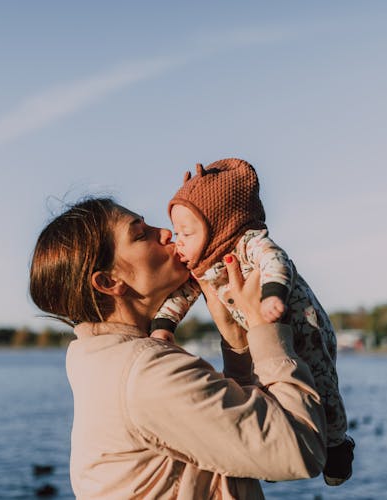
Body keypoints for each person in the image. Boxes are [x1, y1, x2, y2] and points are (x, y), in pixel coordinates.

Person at [29, 197, 328, 499]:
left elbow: (251, 453)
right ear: (108, 281)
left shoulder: (102, 361)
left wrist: (236, 344)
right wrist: (263, 325)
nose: (165, 234)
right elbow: (302, 449)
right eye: (141, 234)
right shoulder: (146, 373)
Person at [149, 159, 354, 486]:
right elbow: (180, 296)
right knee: (264, 385)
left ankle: (336, 442)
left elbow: (275, 260)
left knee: (322, 381)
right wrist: (164, 326)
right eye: (177, 232)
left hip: (304, 326)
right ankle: (273, 452)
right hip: (264, 335)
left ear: (221, 225)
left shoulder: (246, 243)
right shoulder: (200, 266)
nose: (179, 242)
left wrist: (272, 294)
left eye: (187, 232)